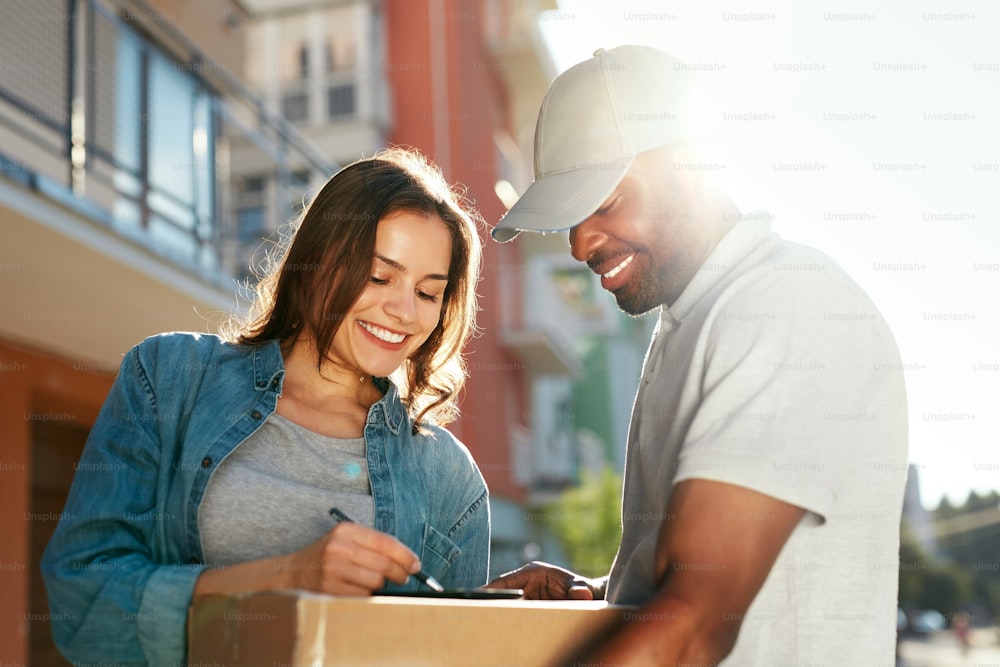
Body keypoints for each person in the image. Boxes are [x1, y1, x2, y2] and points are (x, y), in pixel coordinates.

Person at [489, 45, 909, 666]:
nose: (580, 243)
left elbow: (693, 623)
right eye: (570, 217)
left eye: (604, 201)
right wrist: (600, 596)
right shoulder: (689, 324)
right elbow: (690, 582)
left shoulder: (784, 305)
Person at [41, 147, 490, 665]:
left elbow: (454, 652)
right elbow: (81, 602)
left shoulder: (449, 477)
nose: (403, 311)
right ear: (315, 261)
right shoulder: (169, 377)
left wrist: (509, 608)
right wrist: (291, 574)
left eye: (429, 293)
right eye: (378, 276)